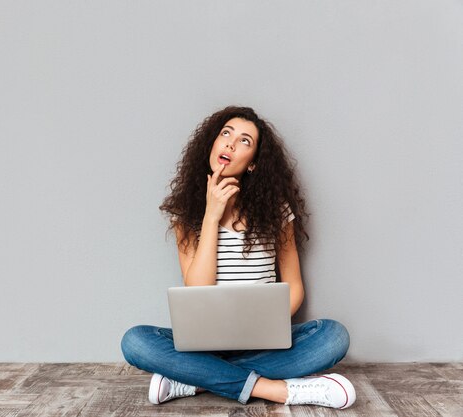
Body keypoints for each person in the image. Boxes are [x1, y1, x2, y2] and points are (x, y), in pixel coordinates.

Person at [120, 105, 356, 409]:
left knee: (334, 336)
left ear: (253, 165)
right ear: (213, 145)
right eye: (226, 134)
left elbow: (294, 285)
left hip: (264, 344)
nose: (231, 143)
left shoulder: (276, 212)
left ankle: (195, 381)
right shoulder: (186, 216)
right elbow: (198, 290)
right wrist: (211, 216)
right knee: (135, 341)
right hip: (204, 348)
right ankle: (278, 390)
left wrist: (266, 322)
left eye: (245, 141)